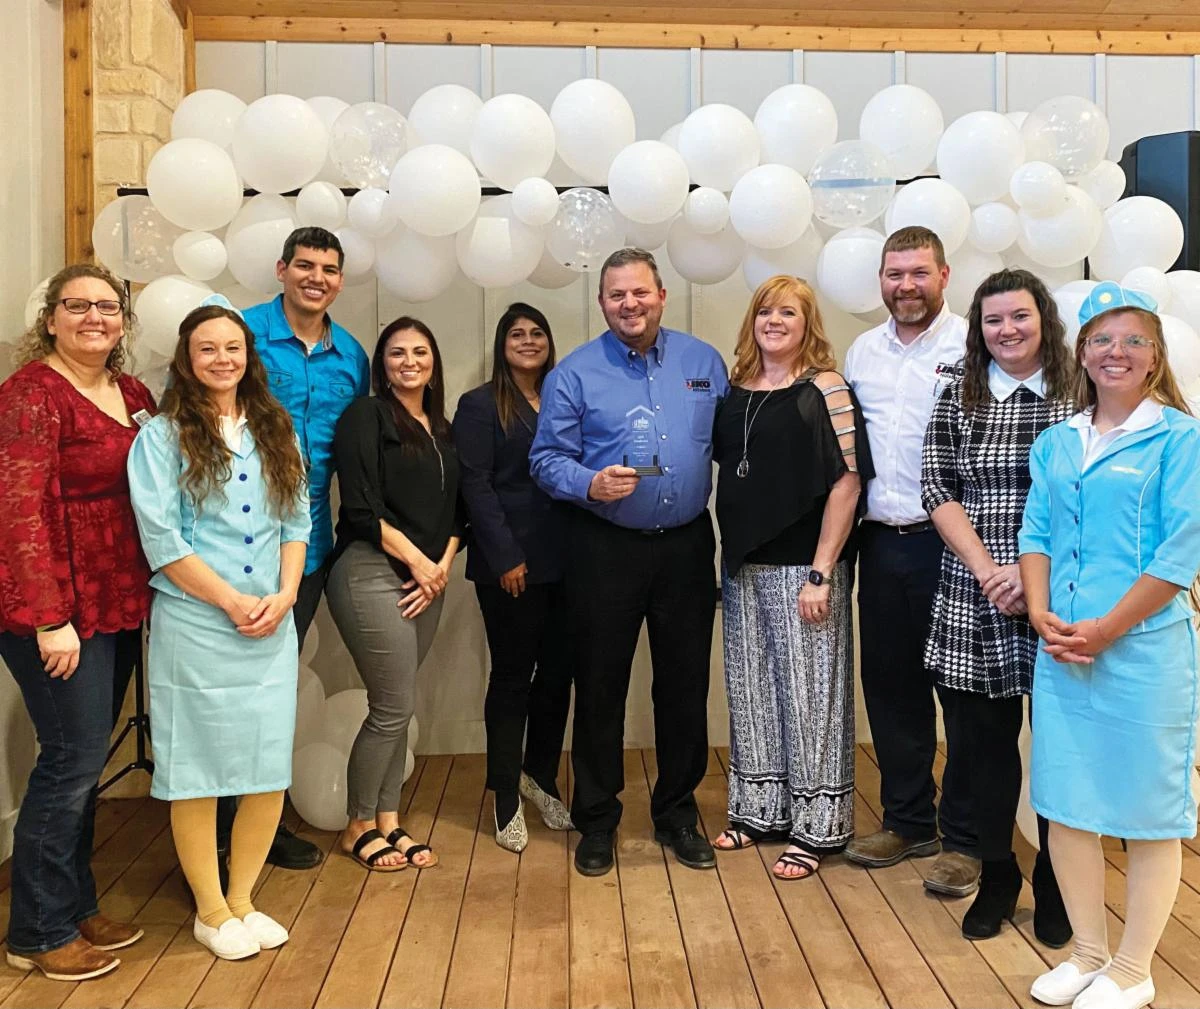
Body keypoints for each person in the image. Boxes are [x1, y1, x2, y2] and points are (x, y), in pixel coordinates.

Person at [1020, 283, 1200, 1009]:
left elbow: (1179, 552)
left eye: (1132, 341)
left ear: (1154, 358)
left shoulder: (1180, 440)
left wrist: (1108, 627)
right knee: (1066, 802)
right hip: (1062, 648)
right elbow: (1035, 535)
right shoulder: (1057, 442)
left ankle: (1133, 967)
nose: (1115, 352)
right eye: (1101, 340)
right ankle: (1088, 952)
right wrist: (1039, 611)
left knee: (1148, 806)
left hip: (1143, 653)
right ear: (1082, 355)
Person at [530, 247, 729, 877]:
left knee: (683, 684)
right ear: (602, 303)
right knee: (599, 685)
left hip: (689, 546)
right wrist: (589, 483)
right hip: (605, 549)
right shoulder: (575, 373)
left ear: (661, 294)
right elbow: (544, 460)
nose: (629, 305)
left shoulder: (705, 362)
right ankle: (597, 818)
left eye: (640, 293)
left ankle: (676, 812)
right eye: (617, 295)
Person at [127, 305, 310, 961]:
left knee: (265, 768)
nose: (222, 358)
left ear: (247, 355)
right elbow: (162, 540)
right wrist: (232, 600)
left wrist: (285, 595)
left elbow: (296, 522)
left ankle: (243, 899)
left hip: (271, 624)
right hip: (199, 624)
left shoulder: (275, 427)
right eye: (208, 348)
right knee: (197, 770)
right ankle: (209, 909)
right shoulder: (160, 437)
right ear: (187, 357)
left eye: (232, 347)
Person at [0, 265, 152, 981]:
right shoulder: (31, 394)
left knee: (85, 763)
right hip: (56, 604)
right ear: (51, 317)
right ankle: (36, 929)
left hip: (117, 594)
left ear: (122, 320)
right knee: (69, 760)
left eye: (107, 306)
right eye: (77, 305)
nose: (94, 316)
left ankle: (76, 901)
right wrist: (50, 616)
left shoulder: (134, 394)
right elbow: (18, 511)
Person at [920, 269, 1073, 944]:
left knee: (1061, 747)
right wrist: (990, 571)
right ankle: (998, 873)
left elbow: (1093, 496)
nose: (1007, 330)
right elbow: (937, 485)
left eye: (1019, 316)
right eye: (993, 320)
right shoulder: (959, 392)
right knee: (982, 750)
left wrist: (1029, 574)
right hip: (974, 591)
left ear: (1044, 319)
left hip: (1064, 591)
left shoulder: (1081, 394)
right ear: (978, 328)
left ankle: (1057, 882)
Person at [710, 276, 872, 880]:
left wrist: (822, 572)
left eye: (788, 313)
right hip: (744, 564)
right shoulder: (735, 390)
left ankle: (817, 827)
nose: (774, 322)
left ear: (808, 323)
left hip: (806, 568)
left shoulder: (825, 388)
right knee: (751, 692)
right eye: (765, 312)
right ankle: (759, 811)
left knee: (811, 699)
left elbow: (848, 481)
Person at [843, 226, 978, 896]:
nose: (906, 286)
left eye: (919, 273)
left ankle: (964, 839)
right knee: (892, 687)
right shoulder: (862, 351)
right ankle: (908, 820)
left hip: (951, 541)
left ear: (945, 275)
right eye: (894, 274)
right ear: (881, 280)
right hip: (879, 539)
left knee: (960, 691)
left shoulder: (973, 346)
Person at [235, 226, 370, 870]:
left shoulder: (352, 355)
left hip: (309, 549)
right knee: (232, 692)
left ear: (341, 280)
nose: (317, 278)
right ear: (281, 269)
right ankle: (218, 831)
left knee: (275, 686)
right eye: (305, 266)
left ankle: (261, 825)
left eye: (330, 269)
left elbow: (357, 453)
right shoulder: (242, 334)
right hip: (234, 541)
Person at [327, 316, 460, 871]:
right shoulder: (366, 416)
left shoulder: (443, 428)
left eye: (420, 352)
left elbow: (460, 513)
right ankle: (356, 823)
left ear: (433, 363)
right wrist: (418, 563)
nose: (409, 361)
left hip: (428, 580)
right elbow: (360, 508)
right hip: (370, 573)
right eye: (397, 352)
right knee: (391, 707)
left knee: (400, 707)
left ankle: (389, 820)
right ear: (382, 363)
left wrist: (440, 569)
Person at [453, 303, 573, 853]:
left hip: (569, 562)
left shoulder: (567, 395)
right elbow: (476, 485)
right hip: (511, 567)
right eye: (516, 334)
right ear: (502, 344)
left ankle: (539, 777)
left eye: (537, 332)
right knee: (511, 680)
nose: (528, 341)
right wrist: (504, 558)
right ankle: (504, 795)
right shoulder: (479, 405)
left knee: (557, 677)